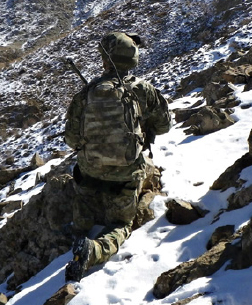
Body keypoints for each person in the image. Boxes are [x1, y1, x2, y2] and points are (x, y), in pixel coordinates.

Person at [63, 31, 172, 282]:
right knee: (121, 224)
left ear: (104, 59)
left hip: (89, 172)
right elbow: (165, 126)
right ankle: (95, 250)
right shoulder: (143, 90)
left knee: (84, 199)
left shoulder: (88, 92)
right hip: (126, 174)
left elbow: (71, 139)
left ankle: (79, 229)